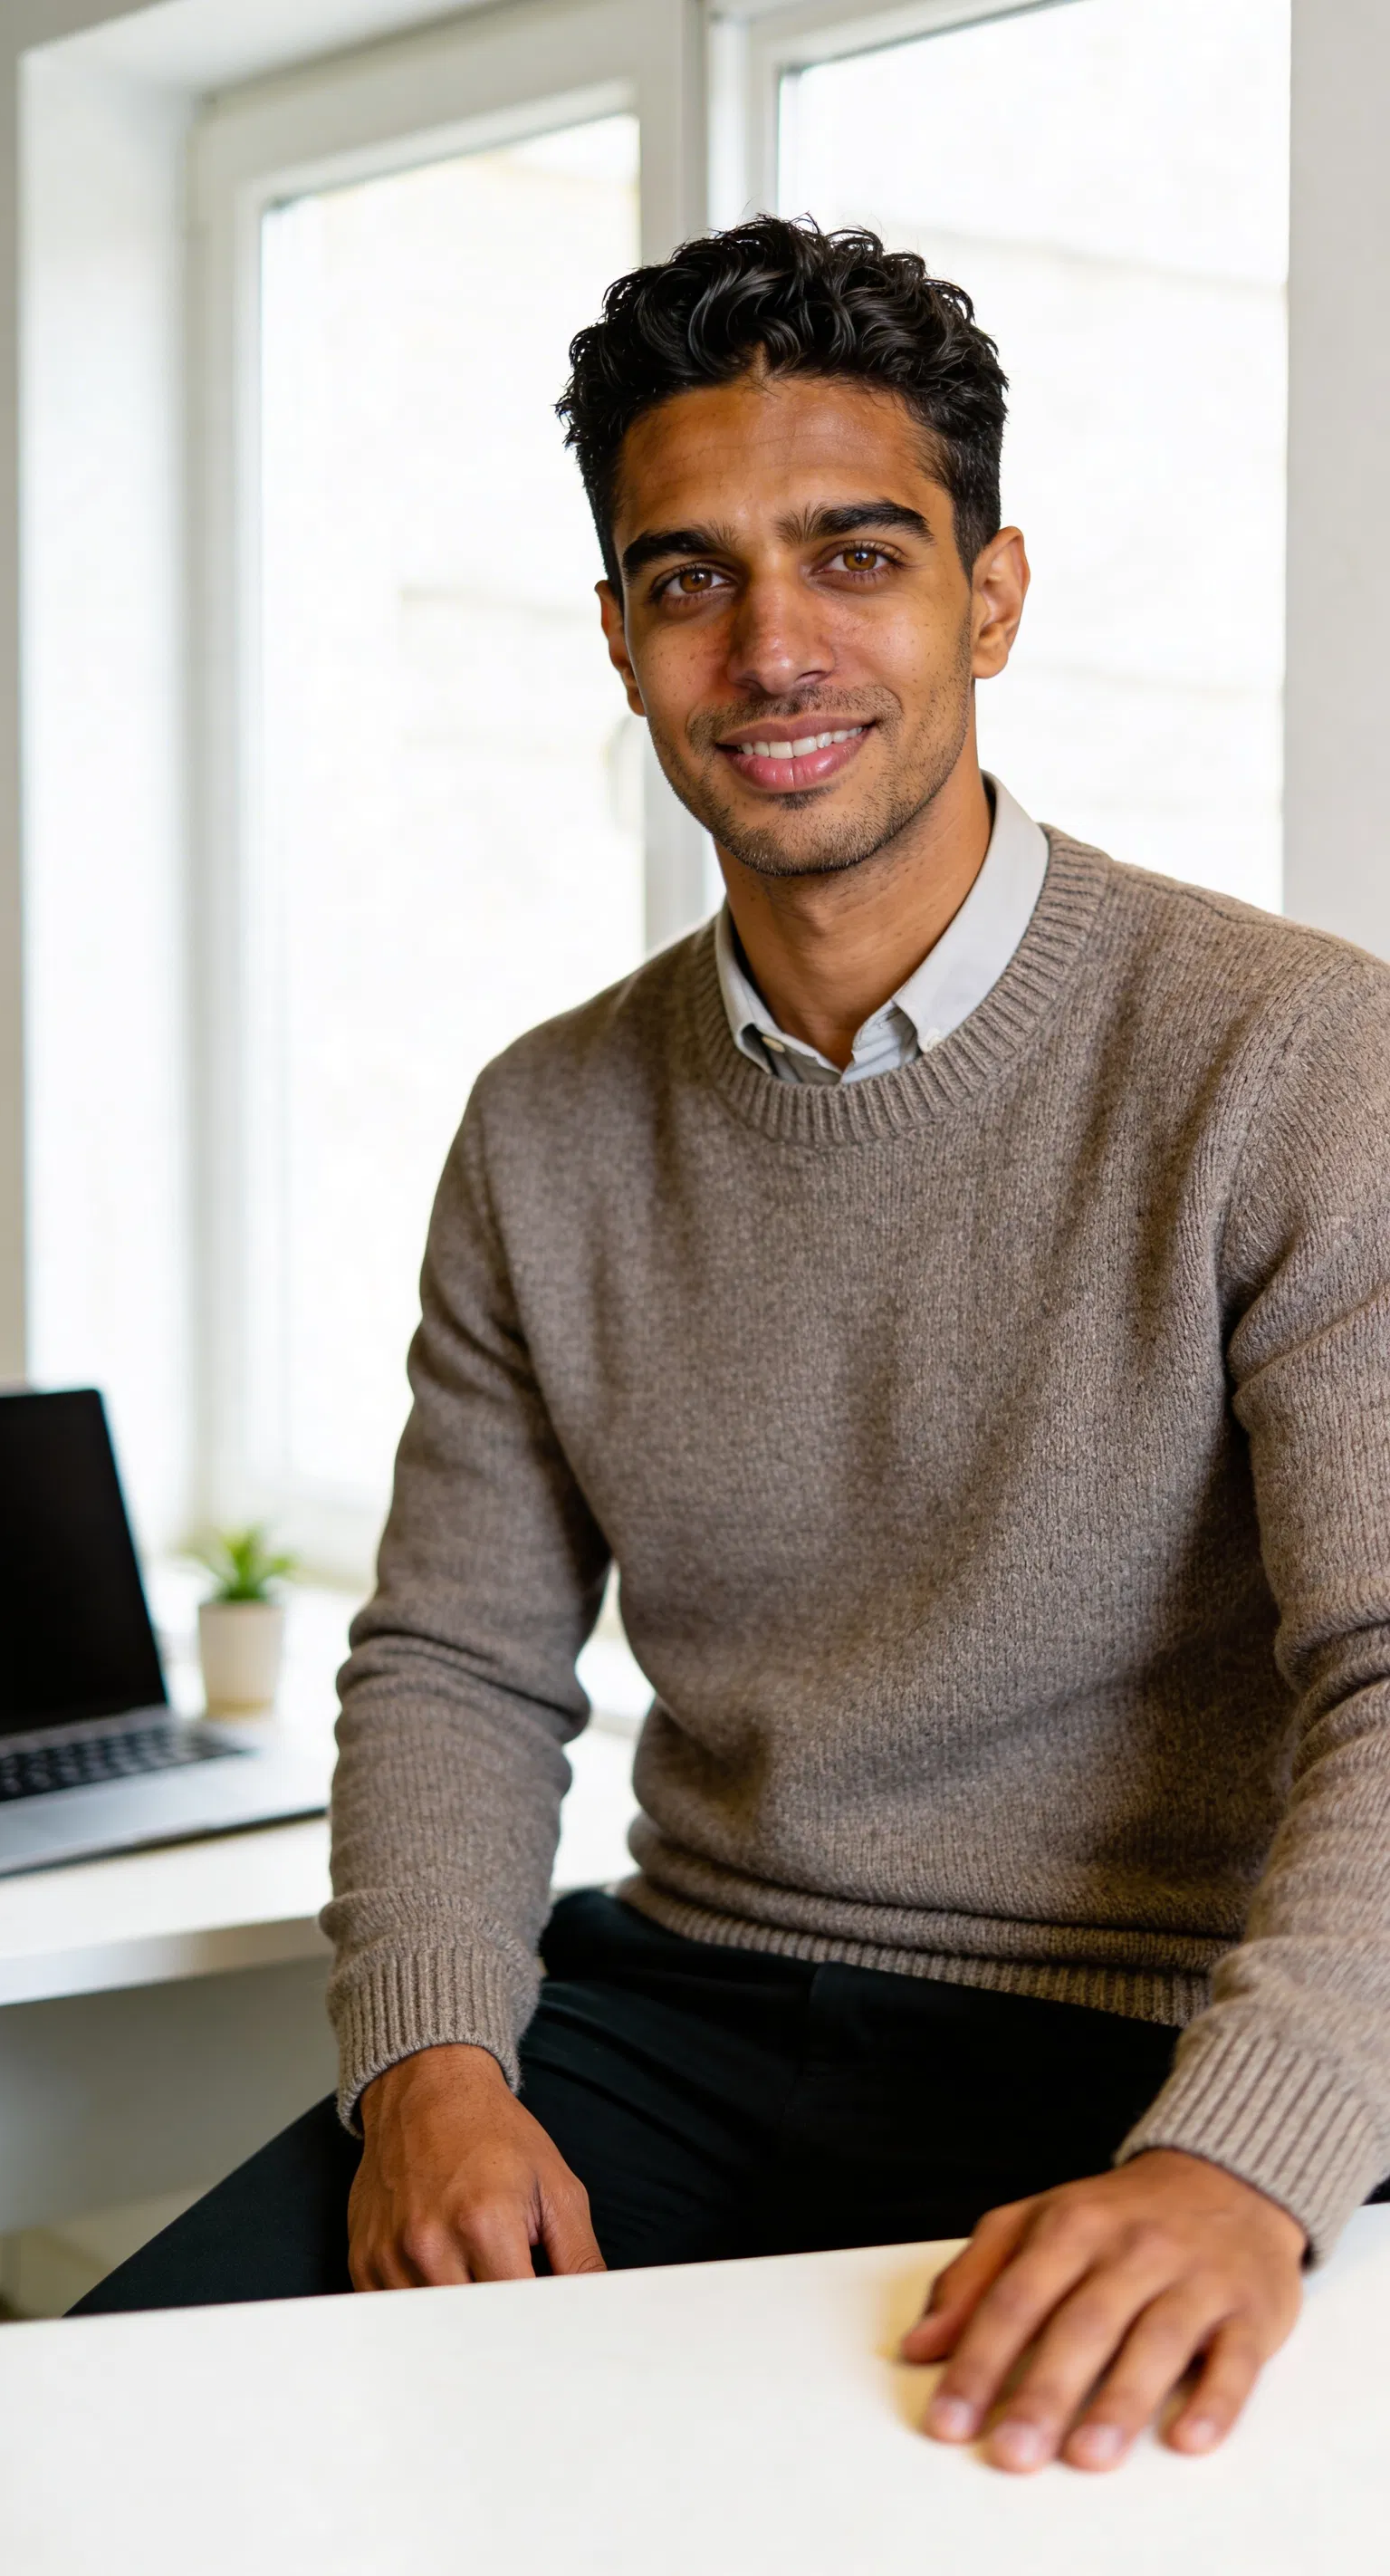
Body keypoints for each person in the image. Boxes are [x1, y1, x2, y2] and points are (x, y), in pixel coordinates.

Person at [74, 217, 1390, 2479]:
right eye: (687, 578)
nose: (771, 646)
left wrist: (1246, 2158)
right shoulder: (544, 1123)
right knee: (115, 2445)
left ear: (987, 593)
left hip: (1150, 2040)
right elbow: (456, 1668)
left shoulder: (1291, 1060)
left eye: (853, 554)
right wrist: (433, 2073)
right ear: (615, 637)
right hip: (672, 2020)